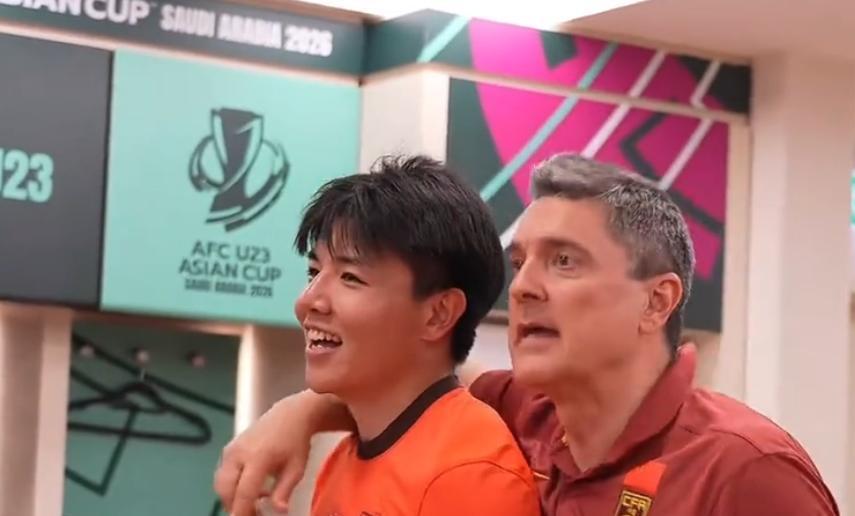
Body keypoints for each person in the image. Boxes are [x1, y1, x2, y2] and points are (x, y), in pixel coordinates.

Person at [215, 154, 838, 516]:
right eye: (520, 264)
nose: (525, 289)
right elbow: (407, 389)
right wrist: (297, 413)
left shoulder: (744, 469)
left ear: (657, 301)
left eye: (564, 261)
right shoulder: (517, 409)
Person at [262, 155, 541, 516]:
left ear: (438, 314)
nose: (308, 302)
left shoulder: (468, 476)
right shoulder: (345, 458)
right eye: (314, 272)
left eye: (350, 278)